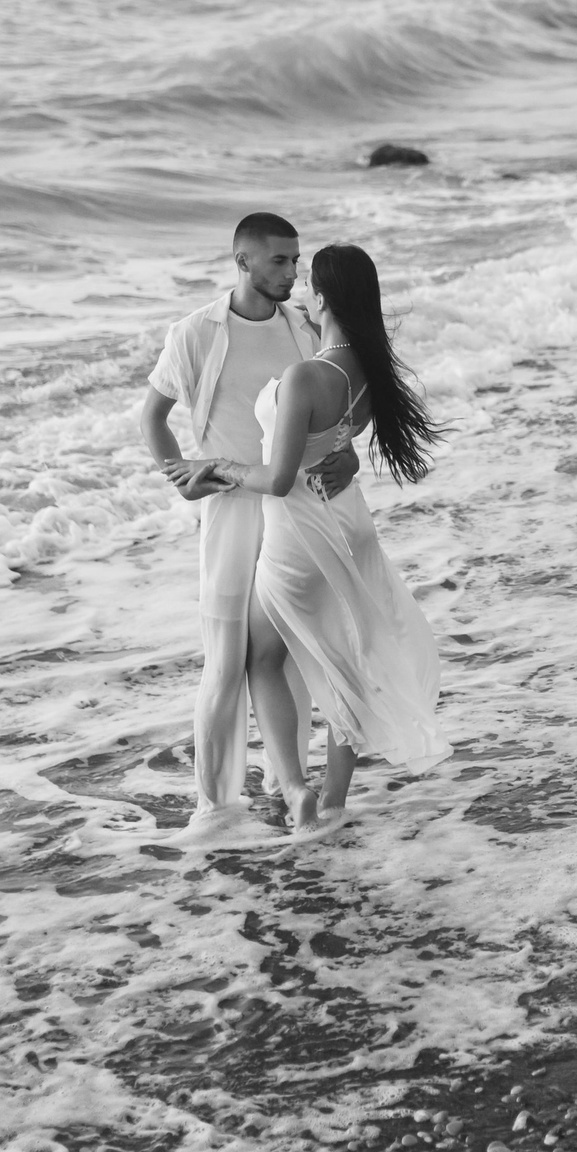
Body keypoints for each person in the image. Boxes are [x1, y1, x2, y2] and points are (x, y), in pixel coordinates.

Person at [203, 242, 449, 831]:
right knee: (348, 659)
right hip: (348, 523)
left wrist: (218, 469)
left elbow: (279, 477)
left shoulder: (307, 373)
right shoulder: (366, 368)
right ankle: (334, 799)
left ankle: (294, 789)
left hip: (299, 537)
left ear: (324, 295)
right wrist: (352, 460)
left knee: (261, 659)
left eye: (309, 280)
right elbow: (341, 438)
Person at [138, 213, 361, 825]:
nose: (294, 271)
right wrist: (180, 478)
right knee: (227, 658)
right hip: (231, 512)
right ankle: (214, 806)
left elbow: (334, 413)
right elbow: (152, 418)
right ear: (243, 262)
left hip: (295, 511)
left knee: (289, 649)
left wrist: (350, 458)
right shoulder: (196, 333)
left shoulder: (306, 329)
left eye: (296, 260)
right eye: (280, 261)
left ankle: (287, 783)